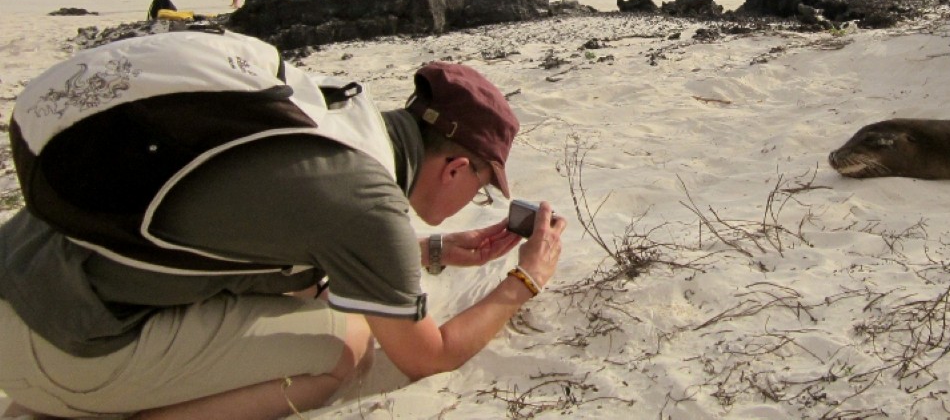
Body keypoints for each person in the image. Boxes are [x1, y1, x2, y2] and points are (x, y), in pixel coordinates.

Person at [0, 59, 567, 419]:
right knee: (343, 348)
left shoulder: (335, 114)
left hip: (22, 281)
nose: (475, 200)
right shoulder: (371, 205)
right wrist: (525, 280)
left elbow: (270, 227)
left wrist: (432, 252)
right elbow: (427, 357)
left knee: (313, 302)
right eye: (482, 187)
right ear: (456, 167)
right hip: (60, 345)